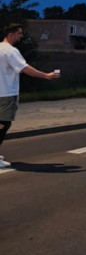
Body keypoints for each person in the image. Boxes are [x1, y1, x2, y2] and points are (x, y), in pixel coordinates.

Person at [0, 23, 60, 169]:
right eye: (19, 33)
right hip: (6, 93)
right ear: (11, 34)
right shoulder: (11, 51)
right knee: (3, 124)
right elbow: (25, 68)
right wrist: (46, 76)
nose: (21, 36)